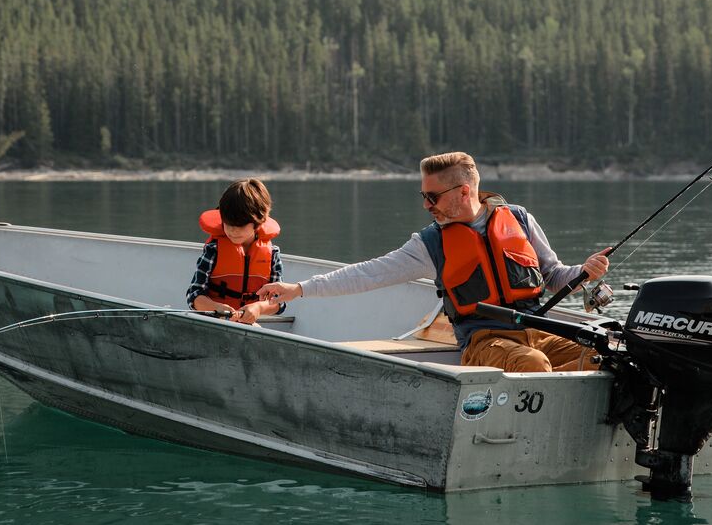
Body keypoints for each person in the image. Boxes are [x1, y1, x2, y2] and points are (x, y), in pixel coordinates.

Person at [258, 152, 610, 372]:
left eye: (432, 196)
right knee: (532, 365)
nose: (427, 205)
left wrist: (583, 272)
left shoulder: (519, 219)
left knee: (605, 357)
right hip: (485, 342)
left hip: (537, 333)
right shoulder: (430, 244)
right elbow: (368, 273)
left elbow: (553, 276)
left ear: (463, 192)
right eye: (423, 196)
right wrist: (298, 288)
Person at [186, 178, 287, 324]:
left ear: (258, 222)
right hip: (215, 322)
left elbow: (280, 302)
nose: (233, 230)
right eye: (228, 224)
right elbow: (193, 296)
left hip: (252, 324)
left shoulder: (272, 254)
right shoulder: (213, 250)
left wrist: (258, 307)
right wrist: (216, 307)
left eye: (240, 225)